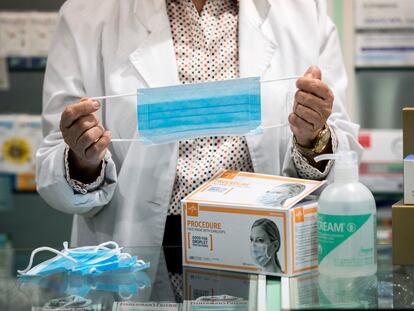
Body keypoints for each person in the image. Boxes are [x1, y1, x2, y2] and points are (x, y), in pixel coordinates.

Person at [36, 0, 362, 247]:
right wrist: (83, 160)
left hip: (263, 245)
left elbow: (343, 149)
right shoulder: (87, 14)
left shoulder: (303, 11)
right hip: (138, 252)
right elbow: (52, 163)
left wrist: (313, 140)